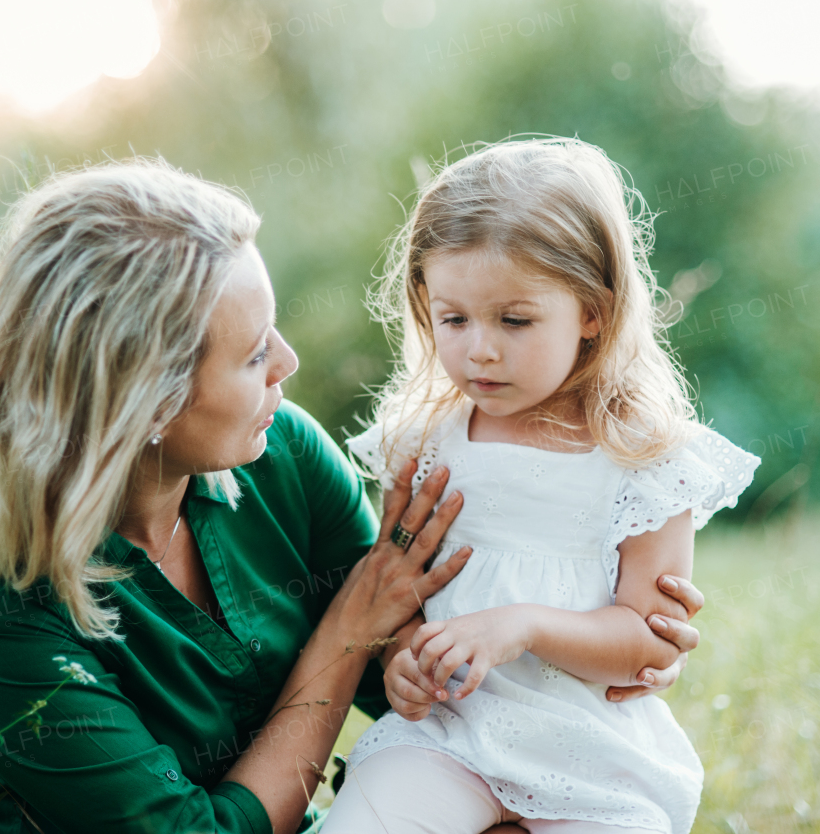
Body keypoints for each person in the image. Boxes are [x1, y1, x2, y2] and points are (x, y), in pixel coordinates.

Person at [0, 157, 704, 834]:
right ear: (141, 400)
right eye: (254, 355)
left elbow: (417, 659)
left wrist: (588, 657)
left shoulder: (278, 452)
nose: (287, 364)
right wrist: (342, 639)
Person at [322, 139, 761, 834]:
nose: (480, 349)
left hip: (593, 759)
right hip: (449, 741)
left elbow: (649, 640)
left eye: (514, 320)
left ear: (592, 311)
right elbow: (399, 591)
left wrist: (519, 626)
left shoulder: (641, 452)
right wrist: (404, 656)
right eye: (453, 318)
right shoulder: (424, 441)